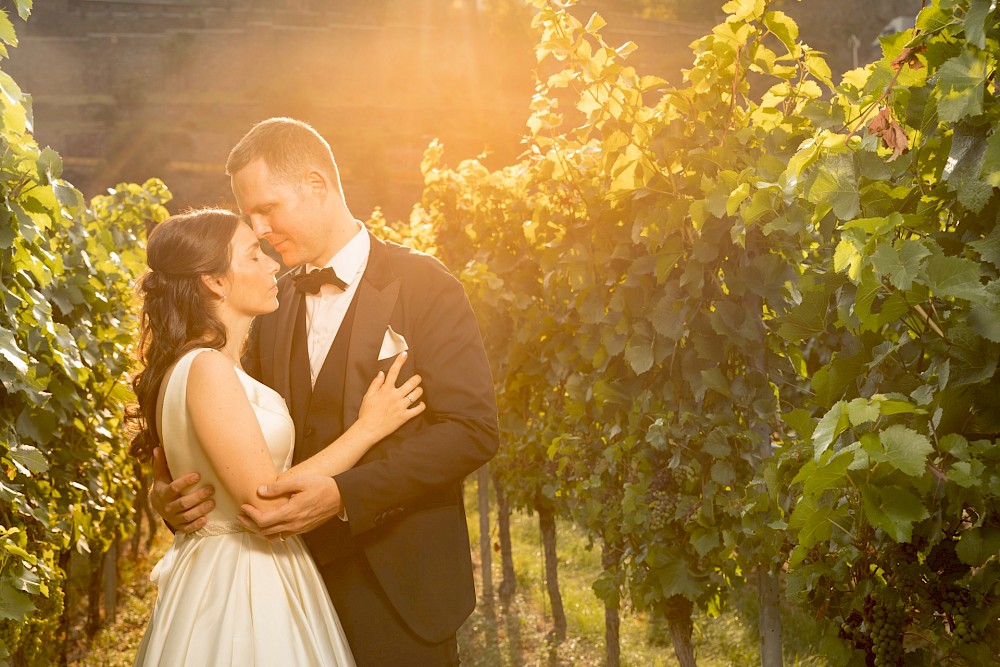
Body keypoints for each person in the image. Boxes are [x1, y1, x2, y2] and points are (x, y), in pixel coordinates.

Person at [151, 118, 500, 665]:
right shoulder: (265, 301)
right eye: (249, 216)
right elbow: (229, 427)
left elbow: (471, 430)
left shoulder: (426, 285)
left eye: (268, 208)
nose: (260, 228)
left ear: (317, 185)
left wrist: (345, 495)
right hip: (276, 588)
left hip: (402, 590)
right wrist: (176, 497)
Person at [131, 208, 425, 666]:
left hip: (247, 570)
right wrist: (368, 428)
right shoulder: (207, 367)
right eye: (253, 255)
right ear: (214, 281)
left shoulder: (210, 365)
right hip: (241, 586)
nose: (273, 264)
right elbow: (265, 502)